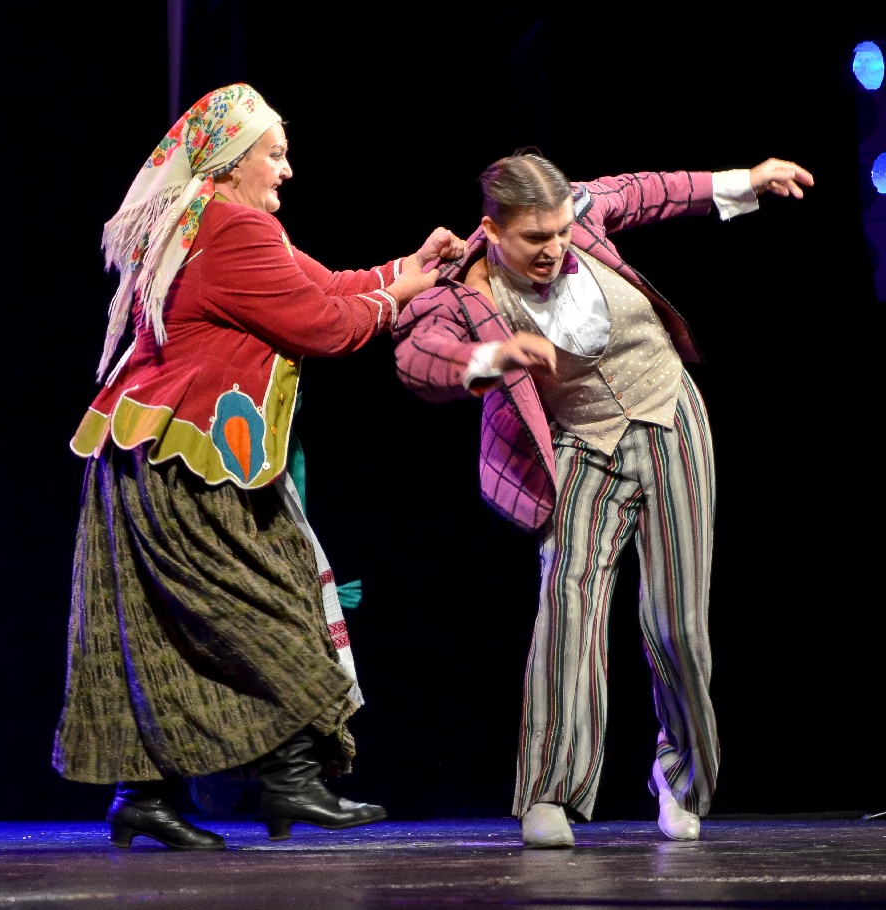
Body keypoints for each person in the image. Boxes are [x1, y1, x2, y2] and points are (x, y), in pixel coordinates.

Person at [53, 82, 465, 850]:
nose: (286, 169)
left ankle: (144, 794)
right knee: (273, 605)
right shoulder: (234, 227)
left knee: (151, 628)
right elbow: (324, 324)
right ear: (233, 160)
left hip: (142, 451)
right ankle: (289, 780)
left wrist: (408, 267)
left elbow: (322, 285)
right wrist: (405, 293)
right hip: (183, 462)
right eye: (274, 155)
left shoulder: (201, 218)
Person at [393, 150, 813, 848]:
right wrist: (488, 358)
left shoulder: (583, 214)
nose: (553, 247)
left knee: (678, 624)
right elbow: (414, 355)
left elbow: (652, 191)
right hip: (581, 446)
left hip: (668, 416)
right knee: (568, 610)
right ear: (491, 230)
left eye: (560, 231)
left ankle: (678, 779)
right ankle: (549, 794)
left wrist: (747, 181)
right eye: (535, 237)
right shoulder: (464, 286)